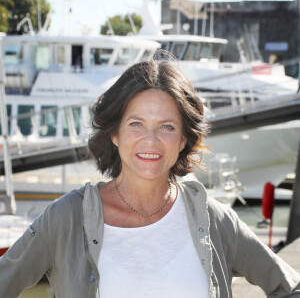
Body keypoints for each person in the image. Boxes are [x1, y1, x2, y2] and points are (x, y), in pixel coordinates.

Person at [0, 57, 300, 298]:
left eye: (167, 126)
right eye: (136, 124)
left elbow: (290, 288)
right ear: (114, 133)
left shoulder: (215, 220)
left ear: (183, 139)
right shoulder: (65, 218)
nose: (151, 140)